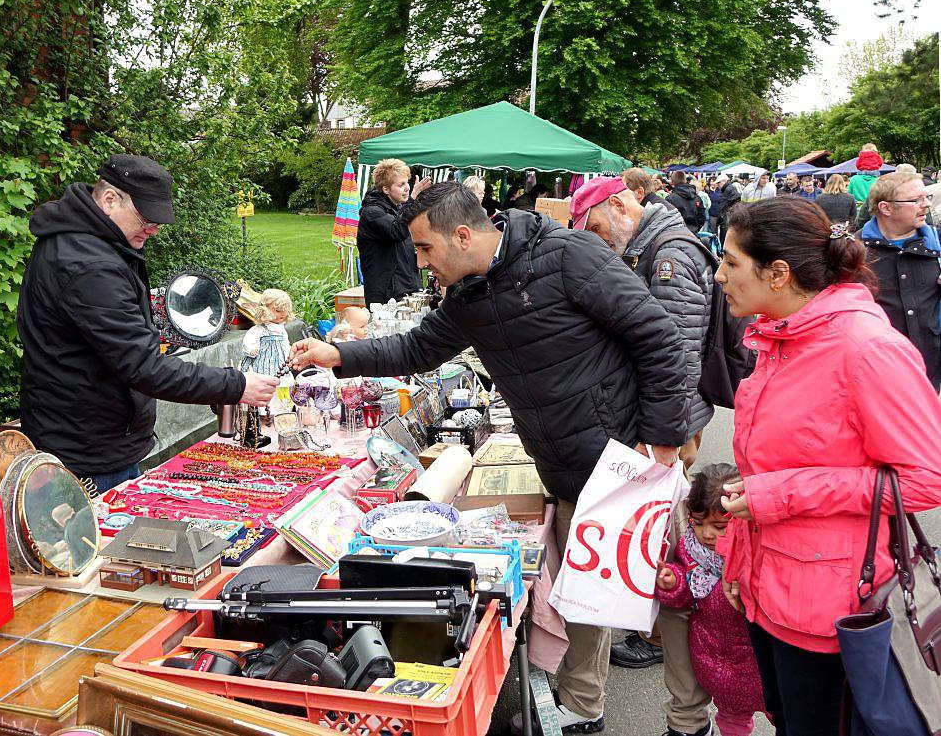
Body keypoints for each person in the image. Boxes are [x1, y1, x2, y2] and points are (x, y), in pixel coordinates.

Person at [290, 181, 690, 734]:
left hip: (631, 461)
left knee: (673, 595)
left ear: (461, 235)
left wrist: (662, 440)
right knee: (587, 596)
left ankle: (690, 721)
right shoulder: (468, 296)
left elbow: (658, 336)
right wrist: (338, 353)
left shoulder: (569, 255)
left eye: (426, 249)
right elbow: (415, 348)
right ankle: (583, 709)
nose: (421, 262)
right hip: (569, 469)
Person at [714, 196, 941, 735]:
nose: (719, 274)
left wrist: (783, 493)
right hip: (771, 590)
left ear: (778, 274)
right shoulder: (781, 338)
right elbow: (773, 465)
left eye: (730, 261)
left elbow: (926, 478)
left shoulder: (865, 349)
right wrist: (738, 564)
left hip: (832, 610)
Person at [17, 155, 278, 491]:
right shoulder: (87, 264)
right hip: (86, 450)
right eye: (146, 217)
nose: (154, 229)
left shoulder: (95, 243)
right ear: (111, 200)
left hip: (95, 436)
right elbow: (143, 367)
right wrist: (236, 385)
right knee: (103, 542)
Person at [577, 178, 717, 736]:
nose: (597, 239)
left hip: (668, 429)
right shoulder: (649, 246)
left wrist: (660, 437)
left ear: (618, 204)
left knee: (673, 555)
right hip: (661, 424)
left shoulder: (669, 255)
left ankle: (685, 709)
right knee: (657, 548)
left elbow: (676, 354)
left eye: (596, 227)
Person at [656, 463, 766, 736]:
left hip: (755, 660)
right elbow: (686, 592)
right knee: (730, 716)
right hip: (712, 656)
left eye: (719, 526)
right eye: (698, 523)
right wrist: (674, 582)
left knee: (780, 709)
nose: (706, 534)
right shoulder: (689, 548)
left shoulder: (757, 553)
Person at [856, 171, 941, 389]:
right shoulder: (853, 250)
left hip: (932, 369)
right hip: (875, 372)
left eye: (926, 198)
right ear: (885, 208)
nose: (926, 206)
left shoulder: (938, 242)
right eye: (916, 200)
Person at [357, 158, 430, 307]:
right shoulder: (372, 212)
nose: (407, 188)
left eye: (407, 183)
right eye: (401, 184)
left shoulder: (398, 208)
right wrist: (412, 200)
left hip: (406, 286)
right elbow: (397, 231)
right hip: (386, 295)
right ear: (386, 189)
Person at [847, 143, 884, 207]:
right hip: (874, 211)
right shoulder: (880, 181)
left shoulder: (854, 179)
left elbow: (848, 196)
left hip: (857, 211)